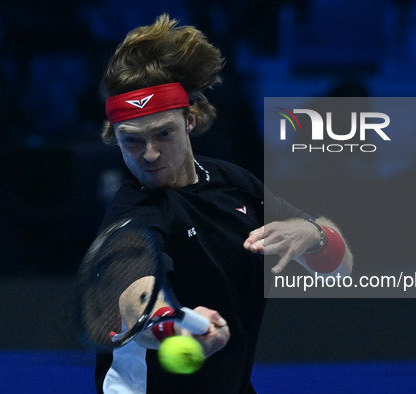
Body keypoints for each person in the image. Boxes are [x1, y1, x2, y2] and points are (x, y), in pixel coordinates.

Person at [93, 13, 352, 393]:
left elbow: (338, 267)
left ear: (190, 120)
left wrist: (313, 234)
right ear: (114, 136)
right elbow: (138, 298)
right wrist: (174, 323)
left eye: (163, 134)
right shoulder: (132, 215)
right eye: (131, 140)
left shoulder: (236, 184)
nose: (148, 155)